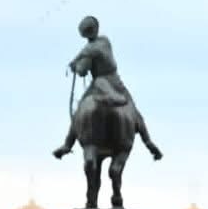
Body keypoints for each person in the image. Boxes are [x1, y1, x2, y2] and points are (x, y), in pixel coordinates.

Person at [52, 15, 161, 159]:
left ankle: (67, 145)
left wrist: (75, 67)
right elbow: (89, 52)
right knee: (133, 111)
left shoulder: (89, 51)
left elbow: (82, 71)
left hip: (99, 83)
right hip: (116, 82)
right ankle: (148, 142)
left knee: (79, 112)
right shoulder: (105, 41)